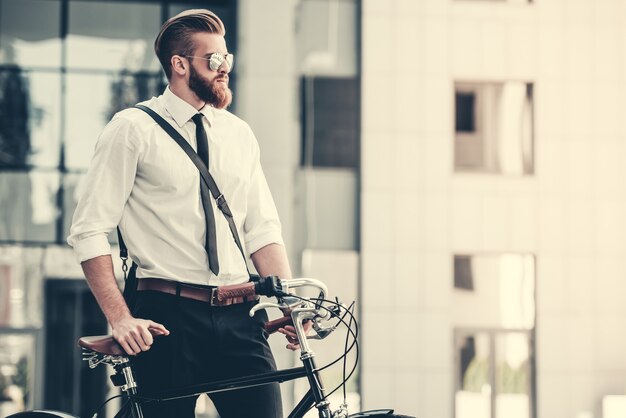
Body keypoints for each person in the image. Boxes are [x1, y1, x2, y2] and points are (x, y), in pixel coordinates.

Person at [68, 9, 297, 418]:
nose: (224, 68)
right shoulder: (132, 129)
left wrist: (290, 304)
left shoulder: (238, 134)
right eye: (213, 60)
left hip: (240, 315)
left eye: (227, 59)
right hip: (166, 317)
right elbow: (88, 231)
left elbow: (262, 229)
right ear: (179, 65)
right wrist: (120, 318)